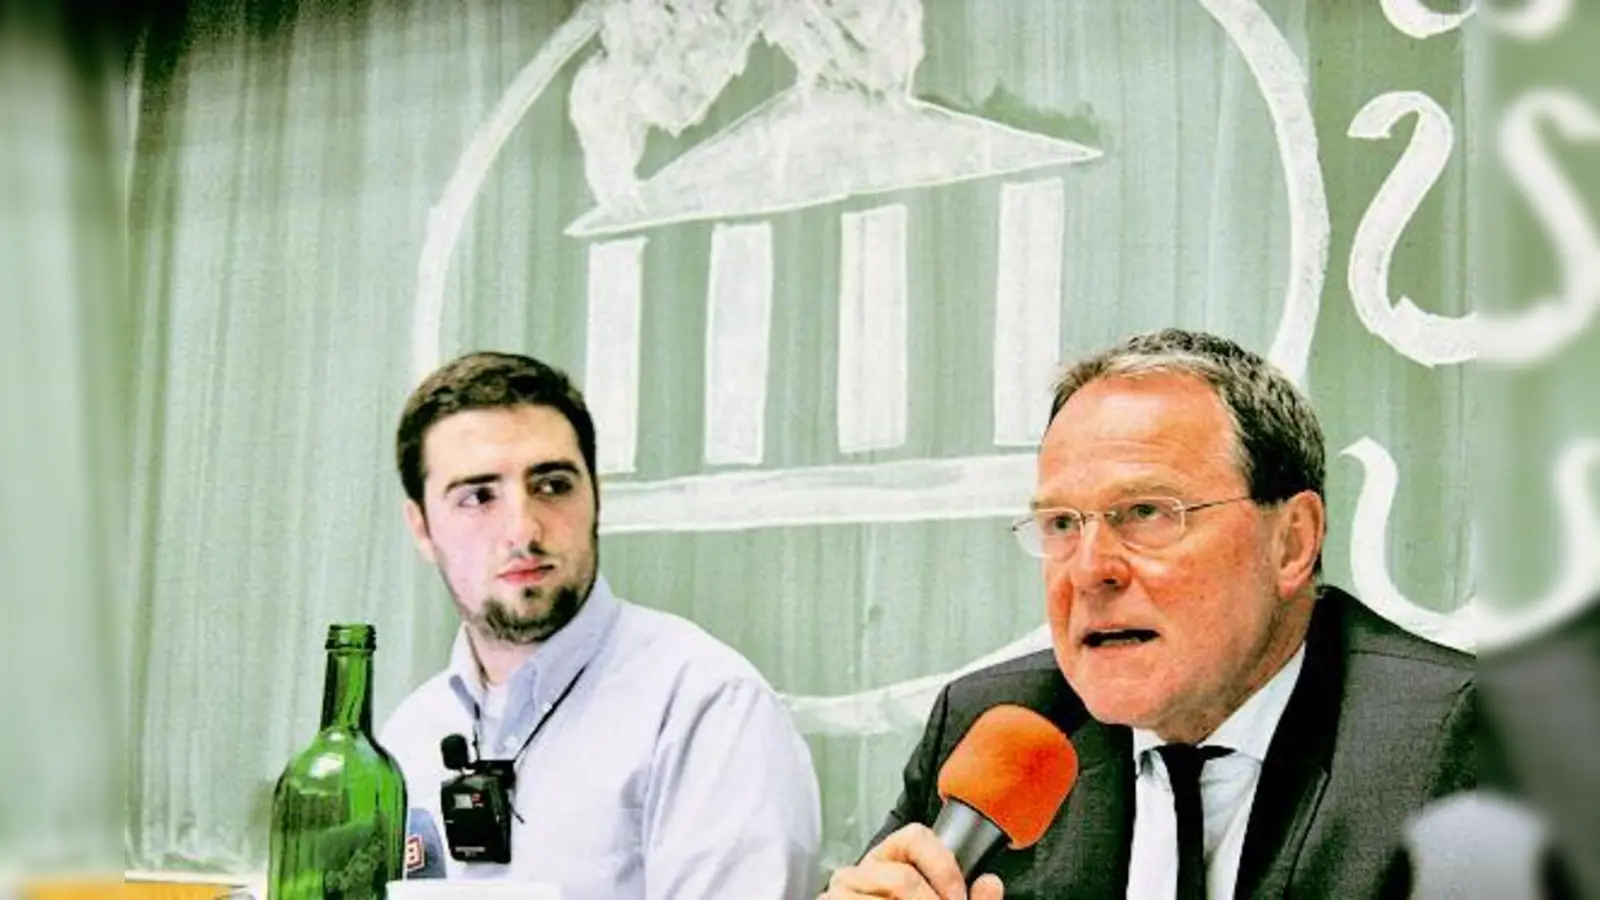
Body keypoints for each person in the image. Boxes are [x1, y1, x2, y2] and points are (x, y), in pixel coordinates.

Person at [823, 329, 1476, 900]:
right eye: (1060, 524)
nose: (1089, 569)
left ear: (1293, 542)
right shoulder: (997, 736)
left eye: (1146, 513)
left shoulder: (1462, 744)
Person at [378, 351, 821, 899]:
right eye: (478, 497)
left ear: (596, 496)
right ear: (422, 528)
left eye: (552, 485)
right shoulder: (404, 742)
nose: (522, 528)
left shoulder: (706, 708)